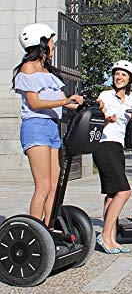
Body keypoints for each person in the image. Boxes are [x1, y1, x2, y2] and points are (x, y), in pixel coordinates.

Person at [13, 23, 84, 226]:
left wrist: (79, 103)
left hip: (53, 127)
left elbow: (66, 101)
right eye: (52, 41)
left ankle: (48, 227)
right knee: (43, 185)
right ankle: (34, 231)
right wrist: (64, 101)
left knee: (55, 185)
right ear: (41, 42)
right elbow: (35, 103)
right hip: (35, 127)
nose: (53, 45)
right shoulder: (28, 68)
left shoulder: (49, 72)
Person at [93, 60, 132, 254]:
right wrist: (104, 116)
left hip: (117, 146)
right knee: (124, 192)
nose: (119, 77)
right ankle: (105, 236)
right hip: (104, 144)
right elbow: (96, 114)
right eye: (117, 74)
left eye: (123, 75)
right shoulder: (105, 95)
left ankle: (110, 239)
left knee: (112, 194)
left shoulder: (131, 99)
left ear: (130, 79)